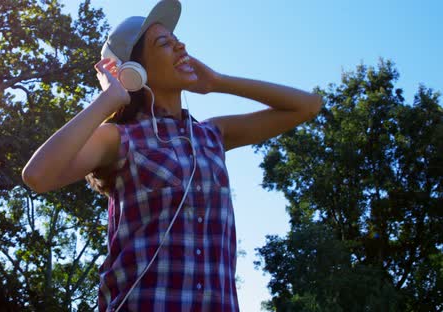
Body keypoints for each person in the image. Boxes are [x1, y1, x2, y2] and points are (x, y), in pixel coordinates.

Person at [22, 0, 322, 310]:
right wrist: (109, 99)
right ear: (134, 71)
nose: (181, 47)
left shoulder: (212, 135)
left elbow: (308, 106)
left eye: (177, 40)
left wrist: (218, 82)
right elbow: (37, 175)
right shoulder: (119, 138)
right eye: (165, 43)